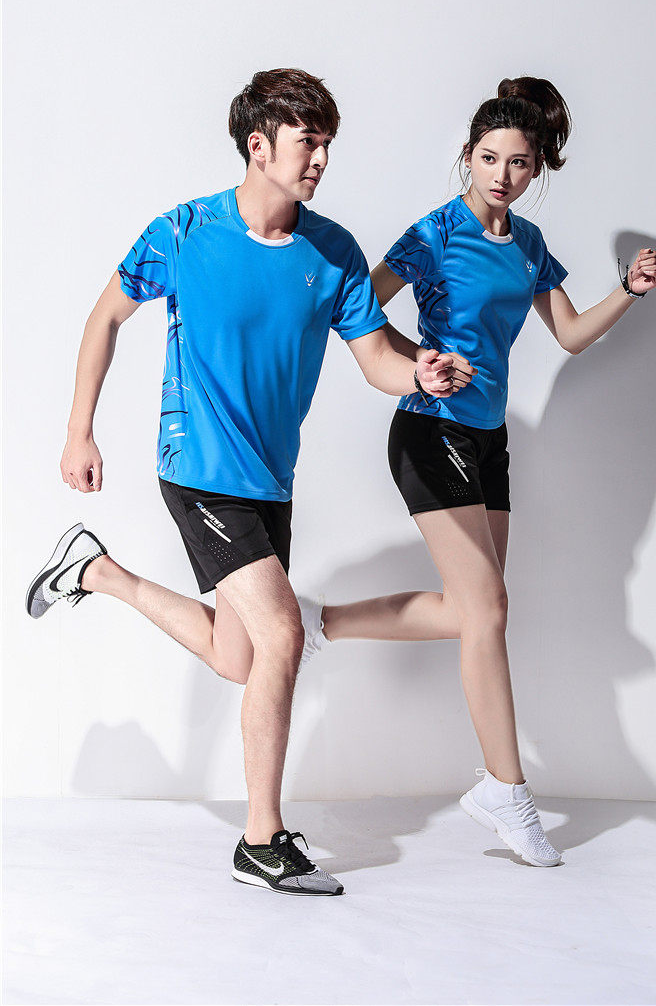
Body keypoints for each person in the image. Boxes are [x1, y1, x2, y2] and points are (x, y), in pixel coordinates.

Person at [25, 68, 473, 897]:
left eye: (328, 143)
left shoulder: (333, 252)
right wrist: (79, 429)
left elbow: (377, 358)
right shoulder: (184, 232)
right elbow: (105, 316)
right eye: (309, 142)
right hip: (198, 468)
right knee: (283, 636)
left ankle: (96, 572)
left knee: (240, 657)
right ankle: (261, 840)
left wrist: (420, 373)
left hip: (271, 479)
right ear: (258, 146)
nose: (322, 158)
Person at [300, 76, 656, 867]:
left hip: (489, 442)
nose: (502, 174)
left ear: (536, 170)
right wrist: (418, 360)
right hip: (429, 430)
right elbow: (354, 308)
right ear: (467, 156)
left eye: (519, 163)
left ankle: (318, 623)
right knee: (490, 608)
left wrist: (628, 292)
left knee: (475, 614)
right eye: (490, 158)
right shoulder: (435, 233)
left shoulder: (527, 245)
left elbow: (570, 334)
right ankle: (507, 789)